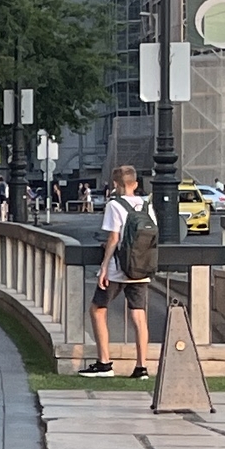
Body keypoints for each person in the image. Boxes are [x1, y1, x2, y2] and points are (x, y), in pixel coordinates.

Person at [89, 161, 158, 377]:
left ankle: (104, 363)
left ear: (115, 184)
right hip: (141, 267)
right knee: (139, 316)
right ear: (135, 183)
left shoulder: (114, 205)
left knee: (98, 310)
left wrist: (103, 268)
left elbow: (113, 238)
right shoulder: (146, 205)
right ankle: (141, 367)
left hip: (118, 267)